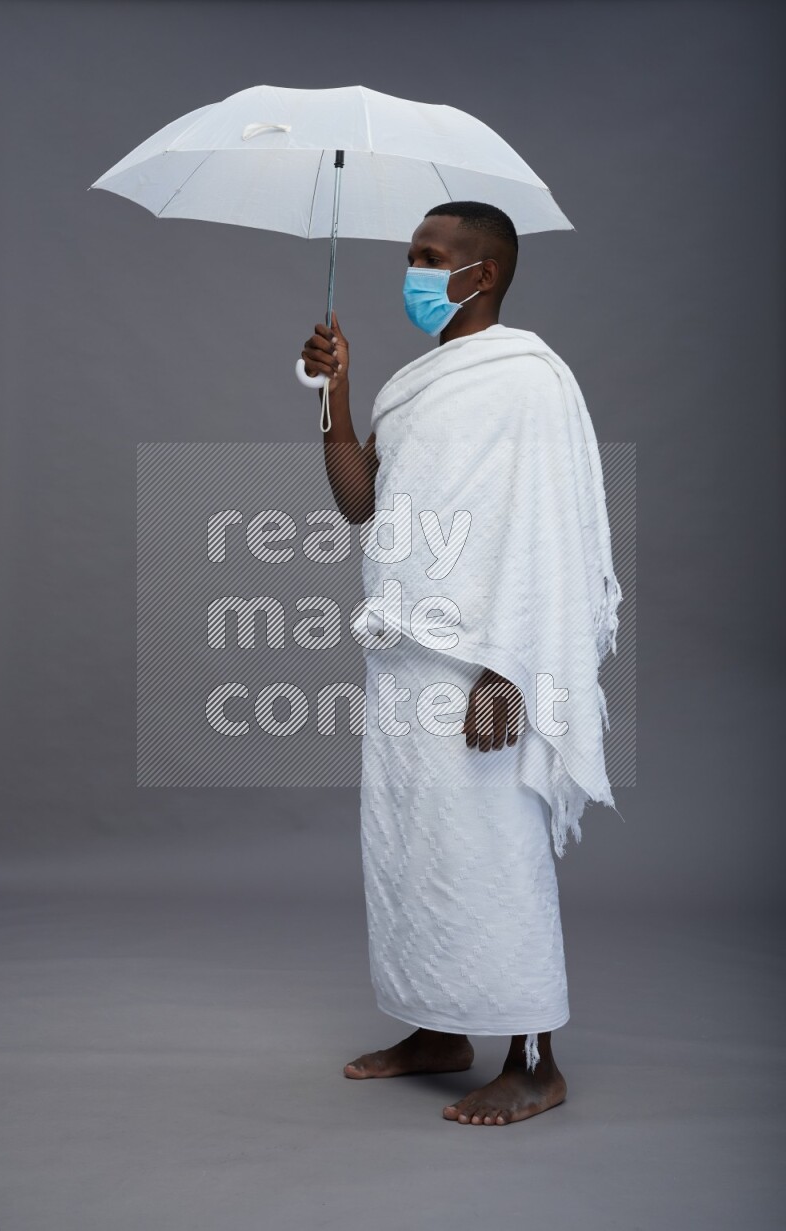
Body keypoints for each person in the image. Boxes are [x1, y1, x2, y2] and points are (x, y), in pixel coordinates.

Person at [300, 201, 619, 1127]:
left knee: (491, 854)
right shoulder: (417, 382)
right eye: (410, 255)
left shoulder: (529, 382)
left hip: (480, 663)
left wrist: (509, 668)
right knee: (409, 852)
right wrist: (338, 393)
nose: (414, 271)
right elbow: (362, 504)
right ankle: (438, 1027)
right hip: (404, 657)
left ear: (483, 274)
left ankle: (534, 1060)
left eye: (431, 258)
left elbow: (544, 532)